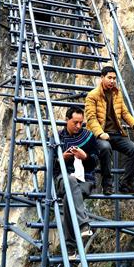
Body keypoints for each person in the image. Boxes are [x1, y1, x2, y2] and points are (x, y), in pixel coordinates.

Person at [84, 66, 134, 195]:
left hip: (116, 134)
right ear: (102, 78)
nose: (112, 81)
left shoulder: (117, 93)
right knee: (105, 148)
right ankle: (107, 184)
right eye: (109, 78)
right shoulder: (92, 95)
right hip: (99, 135)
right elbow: (91, 118)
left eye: (114, 78)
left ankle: (126, 183)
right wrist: (100, 133)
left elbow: (125, 113)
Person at [55, 106, 97, 253]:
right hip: (63, 177)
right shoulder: (57, 137)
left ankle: (70, 247)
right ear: (67, 120)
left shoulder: (89, 136)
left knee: (68, 198)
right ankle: (84, 224)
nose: (79, 126)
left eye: (81, 123)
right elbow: (50, 166)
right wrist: (62, 159)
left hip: (85, 179)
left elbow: (94, 162)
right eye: (75, 122)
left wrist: (85, 157)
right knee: (70, 181)